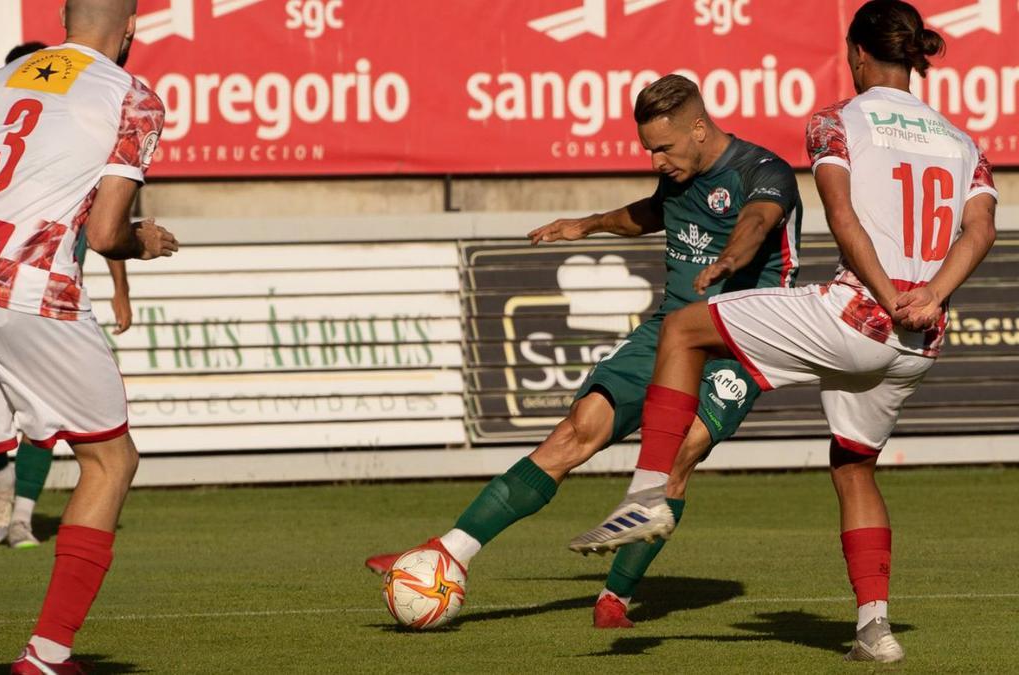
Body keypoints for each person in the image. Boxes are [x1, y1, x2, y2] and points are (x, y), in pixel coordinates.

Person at [593, 0, 997, 662]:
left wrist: (891, 295)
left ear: (859, 55)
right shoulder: (963, 141)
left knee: (685, 330)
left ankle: (645, 497)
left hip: (858, 315)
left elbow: (841, 216)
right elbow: (980, 230)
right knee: (854, 463)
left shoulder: (835, 121)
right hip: (919, 341)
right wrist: (929, 297)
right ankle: (875, 629)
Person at [365, 74, 803, 629]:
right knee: (576, 431)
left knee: (677, 453)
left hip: (744, 338)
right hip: (671, 330)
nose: (656, 161)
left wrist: (729, 262)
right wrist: (587, 226)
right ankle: (450, 551)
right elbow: (651, 211)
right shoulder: (678, 175)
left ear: (698, 127)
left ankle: (615, 597)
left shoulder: (763, 172)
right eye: (649, 151)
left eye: (663, 148)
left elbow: (757, 221)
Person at [0, 2, 176, 673]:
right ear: (129, 30)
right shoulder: (132, 97)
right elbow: (106, 233)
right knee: (111, 461)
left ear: (66, 18)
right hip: (31, 284)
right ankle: (45, 655)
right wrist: (146, 243)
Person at [0, 40, 136, 551]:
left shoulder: (74, 133)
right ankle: (3, 484)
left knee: (43, 416)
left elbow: (105, 219)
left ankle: (20, 514)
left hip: (45, 292)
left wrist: (119, 288)